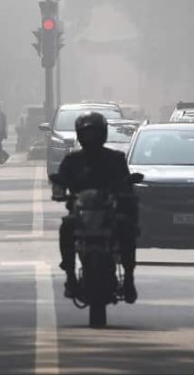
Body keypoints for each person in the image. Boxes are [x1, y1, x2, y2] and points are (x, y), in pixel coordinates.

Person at [56, 112, 138, 303]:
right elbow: (61, 181)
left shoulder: (115, 158)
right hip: (81, 215)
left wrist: (126, 190)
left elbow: (126, 183)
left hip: (108, 213)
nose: (90, 138)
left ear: (103, 134)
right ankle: (69, 275)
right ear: (79, 135)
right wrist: (59, 189)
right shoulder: (71, 161)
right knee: (66, 227)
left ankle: (128, 278)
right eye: (87, 134)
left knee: (126, 228)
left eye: (94, 133)